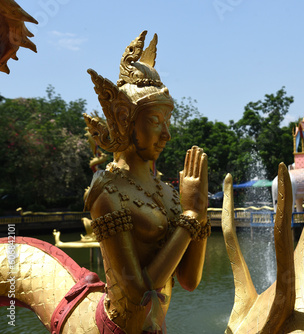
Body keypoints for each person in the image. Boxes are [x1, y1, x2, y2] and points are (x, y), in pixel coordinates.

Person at [84, 31, 209, 334]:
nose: (166, 134)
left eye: (167, 122)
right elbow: (140, 294)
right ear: (125, 120)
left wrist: (199, 209)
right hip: (123, 326)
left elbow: (189, 281)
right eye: (155, 122)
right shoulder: (108, 192)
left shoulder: (165, 190)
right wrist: (189, 218)